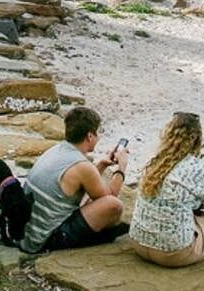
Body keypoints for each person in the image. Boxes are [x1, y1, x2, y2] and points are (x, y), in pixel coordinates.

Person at [131, 112, 204, 268]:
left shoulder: (155, 161)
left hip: (138, 243)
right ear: (197, 139)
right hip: (172, 255)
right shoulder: (196, 167)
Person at [21, 107, 130, 254]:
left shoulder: (56, 150)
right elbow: (109, 198)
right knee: (114, 206)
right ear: (90, 136)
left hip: (27, 234)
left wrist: (101, 164)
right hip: (45, 239)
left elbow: (83, 181)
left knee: (95, 198)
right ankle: (103, 236)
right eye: (98, 133)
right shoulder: (81, 165)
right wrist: (122, 167)